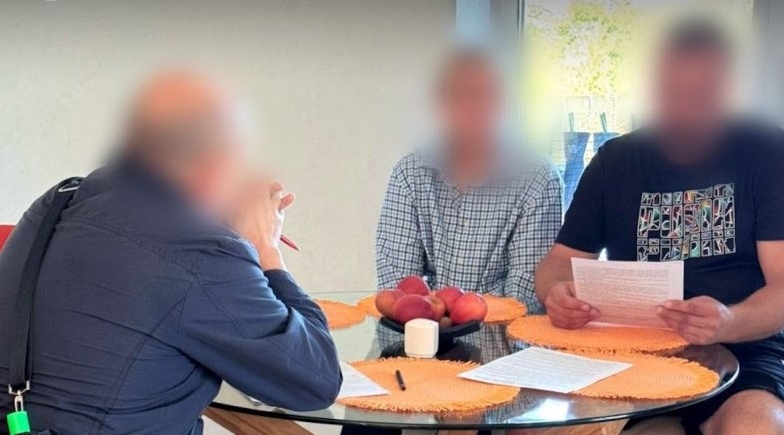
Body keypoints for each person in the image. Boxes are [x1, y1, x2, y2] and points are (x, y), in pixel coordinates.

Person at [0, 72, 342, 434]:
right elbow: (316, 381)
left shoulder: (58, 201)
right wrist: (265, 247)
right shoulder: (203, 251)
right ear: (217, 161)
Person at [536, 19, 784, 435]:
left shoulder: (770, 153)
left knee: (756, 426)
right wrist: (557, 293)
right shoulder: (614, 162)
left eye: (703, 95)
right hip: (635, 351)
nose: (687, 110)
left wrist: (728, 321)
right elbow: (558, 262)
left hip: (748, 346)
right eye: (675, 93)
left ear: (727, 90)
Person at [375, 49, 562, 314]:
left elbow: (523, 298)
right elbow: (397, 289)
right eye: (458, 97)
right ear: (440, 104)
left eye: (485, 96)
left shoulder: (538, 178)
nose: (472, 110)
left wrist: (451, 312)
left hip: (504, 335)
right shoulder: (410, 173)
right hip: (423, 332)